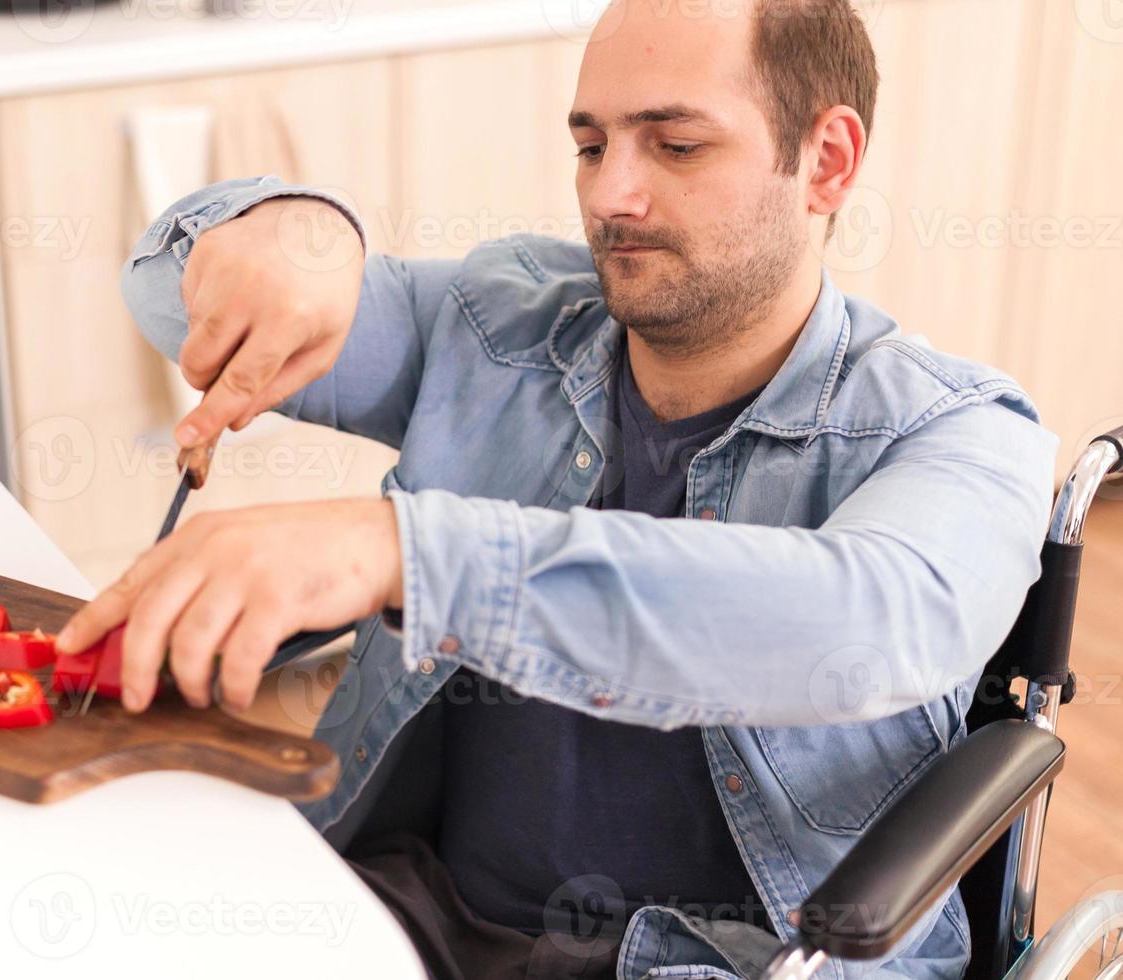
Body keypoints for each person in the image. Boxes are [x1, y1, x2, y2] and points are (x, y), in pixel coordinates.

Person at [55, 1, 1057, 976]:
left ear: (827, 161)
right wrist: (297, 232)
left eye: (675, 146)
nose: (612, 195)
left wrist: (403, 550)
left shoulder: (959, 428)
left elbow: (861, 623)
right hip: (412, 914)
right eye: (591, 145)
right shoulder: (503, 325)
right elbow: (165, 287)